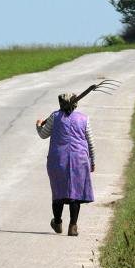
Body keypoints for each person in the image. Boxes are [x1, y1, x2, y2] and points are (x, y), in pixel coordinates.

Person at [36, 92, 95, 237]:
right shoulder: (84, 119)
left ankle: (57, 222)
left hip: (58, 161)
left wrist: (38, 126)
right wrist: (92, 160)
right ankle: (73, 226)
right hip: (79, 161)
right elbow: (90, 142)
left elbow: (43, 134)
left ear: (60, 103)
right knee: (75, 194)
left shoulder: (55, 117)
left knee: (58, 192)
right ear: (75, 104)